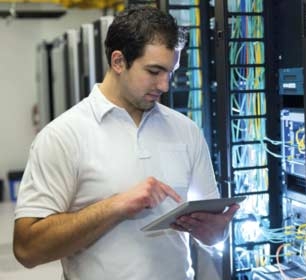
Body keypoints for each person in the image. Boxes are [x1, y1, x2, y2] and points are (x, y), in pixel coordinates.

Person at [13, 6, 239, 280]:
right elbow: (27, 249)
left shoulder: (186, 131)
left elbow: (214, 236)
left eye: (171, 71)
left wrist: (214, 231)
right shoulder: (62, 136)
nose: (165, 85)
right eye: (154, 71)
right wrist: (117, 206)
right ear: (118, 61)